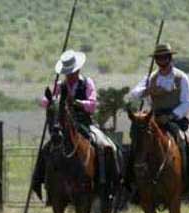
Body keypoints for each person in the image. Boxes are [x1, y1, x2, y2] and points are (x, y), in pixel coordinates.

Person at [32, 50, 122, 200]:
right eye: (67, 72)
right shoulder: (60, 85)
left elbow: (93, 105)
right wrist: (51, 101)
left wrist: (77, 102)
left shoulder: (87, 83)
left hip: (84, 123)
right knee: (46, 150)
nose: (70, 75)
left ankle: (111, 183)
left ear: (78, 69)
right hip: (64, 126)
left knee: (106, 146)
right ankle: (40, 182)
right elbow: (44, 101)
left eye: (72, 72)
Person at [129, 43, 189, 188]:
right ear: (156, 60)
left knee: (188, 141)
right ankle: (131, 181)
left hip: (175, 118)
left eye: (164, 57)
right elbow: (134, 94)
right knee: (138, 140)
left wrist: (171, 116)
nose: (161, 60)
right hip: (154, 117)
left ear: (169, 58)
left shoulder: (181, 77)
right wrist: (146, 90)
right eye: (159, 58)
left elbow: (187, 103)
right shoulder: (150, 77)